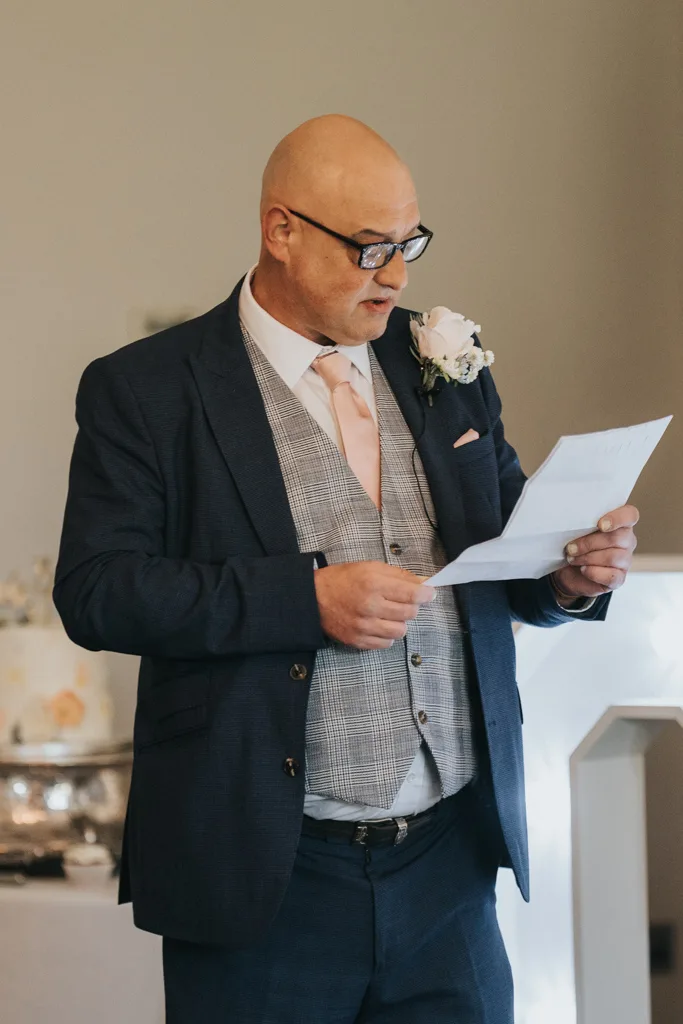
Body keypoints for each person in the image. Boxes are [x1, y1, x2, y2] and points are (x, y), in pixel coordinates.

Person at [54, 115, 638, 1023]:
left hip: (449, 864)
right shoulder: (147, 388)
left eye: (409, 242)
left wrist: (569, 578)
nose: (399, 275)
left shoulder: (438, 360)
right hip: (265, 876)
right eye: (370, 247)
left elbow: (501, 551)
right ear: (280, 230)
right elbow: (98, 592)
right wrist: (304, 598)